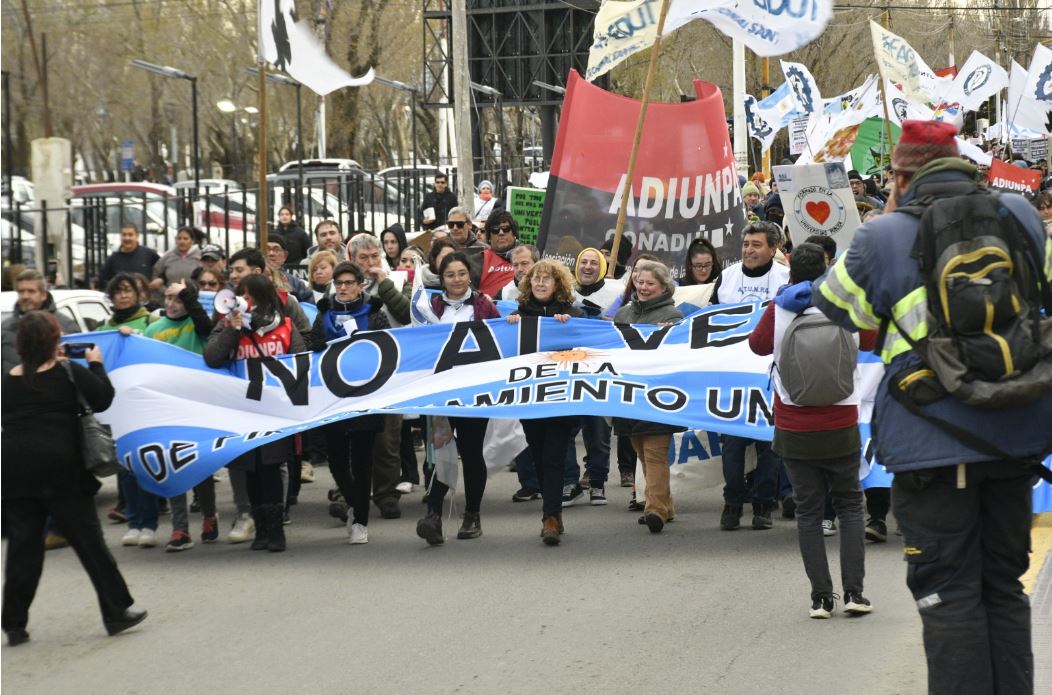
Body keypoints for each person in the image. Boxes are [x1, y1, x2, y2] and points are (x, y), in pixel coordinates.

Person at [813, 120, 1052, 694]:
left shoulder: (880, 235)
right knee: (1003, 587)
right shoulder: (1020, 216)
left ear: (900, 174)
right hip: (1013, 434)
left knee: (947, 596)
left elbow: (848, 314)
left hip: (930, 441)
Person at [2, 312, 147, 644]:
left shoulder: (7, 381)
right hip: (60, 470)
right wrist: (96, 364)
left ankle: (14, 623)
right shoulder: (68, 372)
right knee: (89, 543)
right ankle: (115, 611)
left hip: (14, 471)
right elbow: (104, 399)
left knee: (23, 549)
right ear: (54, 340)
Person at [748, 243, 876, 618]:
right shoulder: (846, 304)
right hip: (840, 419)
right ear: (827, 267)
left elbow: (757, 346)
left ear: (790, 272)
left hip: (794, 421)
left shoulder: (780, 306)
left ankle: (821, 598)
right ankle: (854, 592)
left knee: (808, 511)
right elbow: (869, 341)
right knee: (851, 506)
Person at [204, 273, 306, 552]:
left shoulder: (285, 326)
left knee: (270, 468)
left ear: (263, 298)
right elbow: (211, 357)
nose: (244, 302)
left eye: (249, 297)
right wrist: (232, 330)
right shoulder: (228, 325)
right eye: (242, 296)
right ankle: (260, 529)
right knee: (249, 469)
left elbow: (300, 361)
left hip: (274, 411)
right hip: (243, 411)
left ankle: (276, 531)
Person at [415, 252, 501, 545]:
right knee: (437, 451)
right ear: (442, 279)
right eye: (450, 275)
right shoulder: (430, 307)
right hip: (439, 392)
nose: (456, 279)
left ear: (470, 276)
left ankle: (472, 515)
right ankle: (433, 515)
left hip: (474, 392)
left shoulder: (484, 305)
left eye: (461, 273)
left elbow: (500, 340)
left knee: (471, 452)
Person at [711, 222, 790, 532]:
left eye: (756, 245)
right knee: (731, 442)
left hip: (770, 374)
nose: (749, 250)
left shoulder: (785, 280)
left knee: (768, 443)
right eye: (746, 244)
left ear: (773, 249)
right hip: (733, 374)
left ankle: (763, 503)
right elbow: (710, 322)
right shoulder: (727, 279)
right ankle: (732, 502)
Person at [306, 261, 389, 544]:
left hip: (366, 396)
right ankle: (355, 503)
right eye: (338, 284)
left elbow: (389, 347)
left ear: (359, 285)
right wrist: (314, 345)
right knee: (338, 461)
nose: (342, 288)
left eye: (348, 283)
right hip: (332, 399)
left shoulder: (375, 313)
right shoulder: (324, 313)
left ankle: (361, 522)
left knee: (363, 460)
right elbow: (311, 343)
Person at [506, 260, 582, 545]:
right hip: (531, 399)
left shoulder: (572, 314)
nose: (539, 283)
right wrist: (512, 325)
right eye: (535, 278)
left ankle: (550, 517)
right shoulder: (519, 315)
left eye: (546, 279)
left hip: (561, 398)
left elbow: (586, 346)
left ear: (557, 285)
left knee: (554, 455)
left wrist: (568, 326)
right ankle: (554, 513)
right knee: (539, 455)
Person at [141, 279, 218, 551]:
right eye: (168, 298)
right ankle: (180, 528)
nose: (172, 304)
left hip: (196, 404)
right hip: (166, 406)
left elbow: (205, 326)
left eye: (178, 299)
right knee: (172, 463)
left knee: (199, 464)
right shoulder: (153, 329)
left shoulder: (198, 325)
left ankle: (209, 515)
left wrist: (189, 296)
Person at [612, 260, 685, 533]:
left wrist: (670, 334)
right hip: (629, 395)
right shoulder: (623, 314)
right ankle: (666, 504)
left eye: (649, 283)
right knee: (641, 452)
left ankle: (654, 510)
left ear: (664, 287)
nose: (643, 287)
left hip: (658, 394)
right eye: (640, 282)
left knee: (654, 453)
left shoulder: (674, 316)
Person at [347, 234, 412, 520]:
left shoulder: (397, 281)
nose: (371, 263)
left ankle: (386, 494)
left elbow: (407, 313)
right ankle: (347, 494)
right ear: (351, 260)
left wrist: (384, 283)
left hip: (389, 370)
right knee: (351, 437)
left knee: (387, 438)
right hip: (351, 373)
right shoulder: (342, 285)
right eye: (364, 258)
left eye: (375, 256)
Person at [2, 269, 80, 373]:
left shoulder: (66, 325)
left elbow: (76, 367)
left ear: (43, 295)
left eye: (31, 291)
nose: (25, 296)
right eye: (21, 291)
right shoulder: (5, 328)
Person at [97, 223, 160, 287]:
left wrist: (158, 281)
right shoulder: (113, 259)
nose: (127, 238)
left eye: (130, 235)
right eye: (124, 235)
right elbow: (102, 280)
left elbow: (162, 271)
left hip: (145, 295)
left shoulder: (148, 254)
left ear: (137, 236)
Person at [478, 211, 519, 298]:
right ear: (489, 237)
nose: (501, 233)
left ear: (514, 233)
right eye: (495, 230)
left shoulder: (529, 256)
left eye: (506, 228)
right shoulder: (478, 260)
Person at [150, 226, 202, 291]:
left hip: (193, 295)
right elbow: (155, 272)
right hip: (171, 296)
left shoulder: (200, 256)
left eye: (185, 239)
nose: (182, 241)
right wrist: (163, 290)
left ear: (192, 241)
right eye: (179, 238)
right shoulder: (168, 256)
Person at [265, 235, 313, 304]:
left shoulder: (294, 282)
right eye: (267, 249)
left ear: (285, 255)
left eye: (276, 250)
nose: (271, 253)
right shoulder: (253, 278)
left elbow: (310, 303)